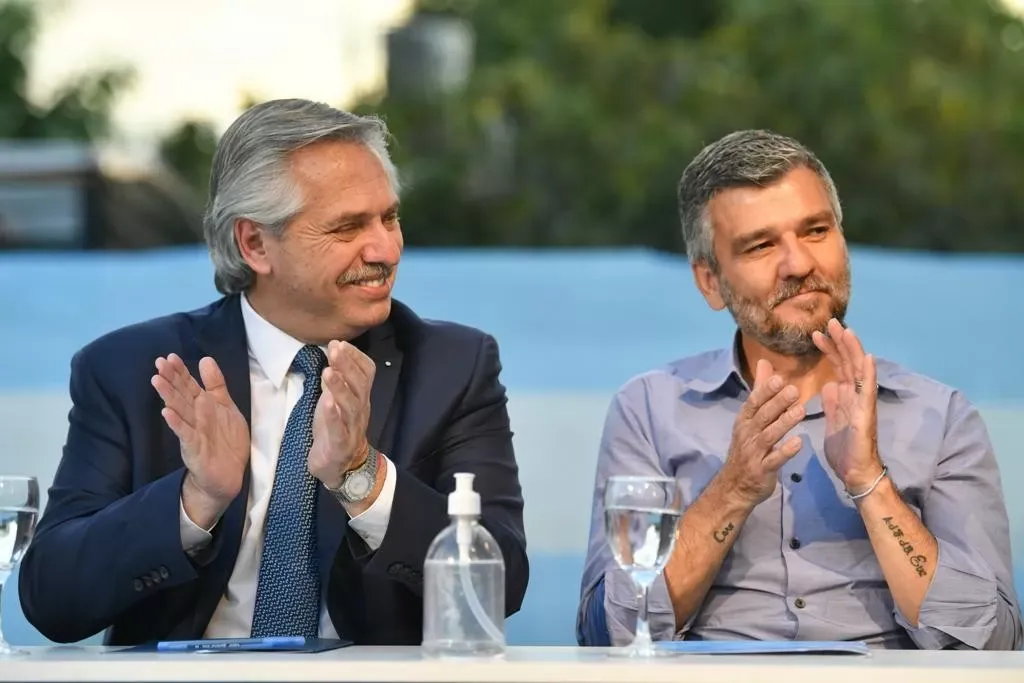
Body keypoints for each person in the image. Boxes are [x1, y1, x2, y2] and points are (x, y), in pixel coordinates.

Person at [18, 98, 529, 645]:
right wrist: (196, 500)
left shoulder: (453, 366)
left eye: (389, 217)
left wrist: (363, 477)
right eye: (347, 227)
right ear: (255, 243)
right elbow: (53, 599)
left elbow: (501, 583)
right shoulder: (133, 371)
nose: (385, 248)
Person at [576, 130, 1021, 650]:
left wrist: (869, 481)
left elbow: (992, 642)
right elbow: (611, 636)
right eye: (761, 245)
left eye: (815, 231)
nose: (799, 264)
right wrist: (735, 488)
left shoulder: (940, 417)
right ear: (710, 283)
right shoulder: (649, 410)